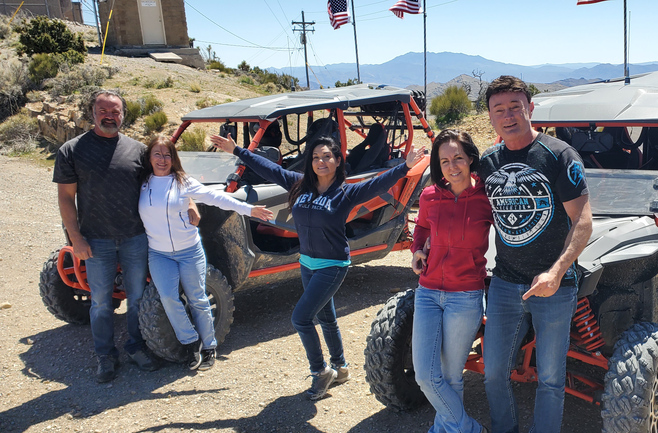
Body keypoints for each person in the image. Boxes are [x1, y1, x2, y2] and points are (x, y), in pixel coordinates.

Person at [210, 131, 426, 400]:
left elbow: (378, 184)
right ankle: (341, 367)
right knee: (325, 317)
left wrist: (405, 166)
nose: (320, 162)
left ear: (337, 160)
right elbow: (268, 167)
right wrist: (237, 150)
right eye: (315, 157)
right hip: (307, 263)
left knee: (300, 318)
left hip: (332, 265)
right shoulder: (299, 184)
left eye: (327, 157)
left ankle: (320, 372)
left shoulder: (345, 193)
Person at [473, 76, 592, 433]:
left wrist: (558, 271)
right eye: (499, 108)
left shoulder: (559, 155)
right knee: (492, 371)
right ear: (490, 116)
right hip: (505, 282)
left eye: (514, 105)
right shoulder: (487, 163)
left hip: (553, 286)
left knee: (551, 378)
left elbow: (583, 221)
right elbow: (450, 193)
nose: (508, 114)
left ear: (530, 108)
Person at [53, 90, 166, 383]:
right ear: (92, 112)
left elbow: (163, 182)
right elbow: (66, 198)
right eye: (103, 110)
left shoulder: (139, 151)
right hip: (95, 240)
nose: (109, 116)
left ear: (123, 115)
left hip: (135, 237)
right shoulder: (72, 150)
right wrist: (75, 238)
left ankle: (136, 347)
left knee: (137, 297)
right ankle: (105, 355)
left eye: (115, 111)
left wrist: (190, 200)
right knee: (101, 302)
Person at [138, 136, 274, 371]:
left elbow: (216, 198)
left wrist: (248, 209)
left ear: (174, 158)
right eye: (157, 154)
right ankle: (191, 343)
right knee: (169, 298)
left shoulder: (183, 182)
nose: (162, 160)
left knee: (198, 298)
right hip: (159, 253)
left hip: (189, 251)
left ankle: (209, 346)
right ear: (149, 158)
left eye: (167, 155)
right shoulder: (141, 183)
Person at [410, 130, 493, 433]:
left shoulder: (487, 197)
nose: (452, 166)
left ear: (471, 158)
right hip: (428, 291)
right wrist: (417, 250)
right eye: (444, 161)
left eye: (458, 158)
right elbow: (422, 230)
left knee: (449, 376)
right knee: (425, 375)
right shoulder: (430, 196)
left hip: (465, 295)